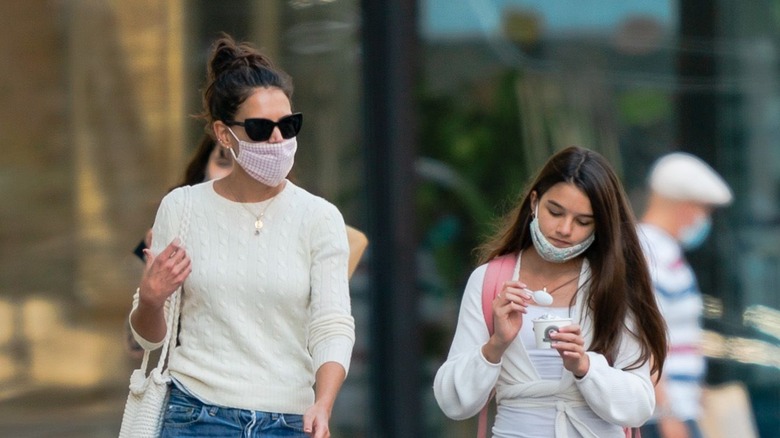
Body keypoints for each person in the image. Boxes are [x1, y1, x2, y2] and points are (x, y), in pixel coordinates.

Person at [129, 34, 355, 438]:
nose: (277, 140)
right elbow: (147, 339)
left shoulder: (319, 217)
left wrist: (324, 403)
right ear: (223, 133)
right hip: (195, 414)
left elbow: (332, 325)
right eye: (259, 127)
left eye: (288, 125)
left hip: (289, 419)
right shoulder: (182, 209)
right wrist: (150, 298)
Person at [433, 146, 668, 437]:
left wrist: (584, 366)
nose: (564, 229)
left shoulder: (614, 286)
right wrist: (496, 345)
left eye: (583, 221)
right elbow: (453, 401)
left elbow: (640, 406)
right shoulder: (491, 281)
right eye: (555, 212)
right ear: (534, 202)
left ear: (601, 226)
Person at [132, 134, 369, 275]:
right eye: (223, 162)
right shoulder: (177, 223)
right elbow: (145, 326)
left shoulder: (292, 219)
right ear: (204, 169)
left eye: (248, 165)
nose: (236, 174)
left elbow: (355, 240)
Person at [637, 152, 733, 438]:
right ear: (684, 207)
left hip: (679, 411)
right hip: (663, 419)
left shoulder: (667, 254)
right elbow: (641, 338)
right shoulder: (649, 255)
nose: (704, 220)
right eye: (703, 210)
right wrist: (667, 413)